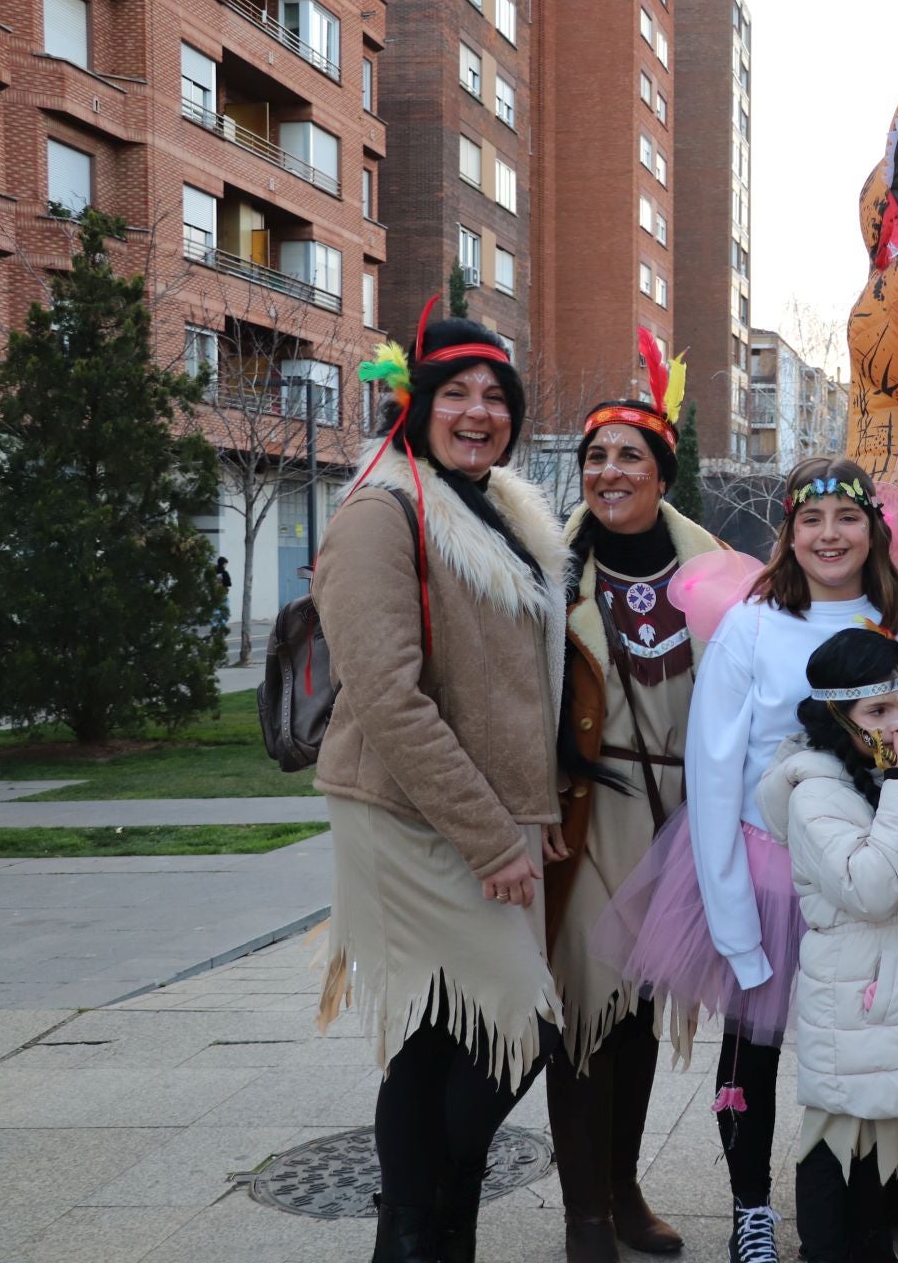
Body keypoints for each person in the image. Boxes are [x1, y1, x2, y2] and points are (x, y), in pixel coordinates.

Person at [593, 456, 898, 1263]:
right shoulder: (754, 625)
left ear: (875, 530)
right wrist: (729, 915)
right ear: (788, 535)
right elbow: (715, 766)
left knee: (866, 1033)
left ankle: (865, 1198)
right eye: (810, 520)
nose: (829, 536)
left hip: (874, 871)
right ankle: (751, 1205)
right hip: (764, 869)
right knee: (750, 1046)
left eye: (847, 518)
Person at [312, 308, 569, 1263]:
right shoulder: (383, 511)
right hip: (403, 816)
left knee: (442, 1042)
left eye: (496, 397)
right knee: (513, 1025)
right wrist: (491, 837)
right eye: (456, 394)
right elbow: (386, 696)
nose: (477, 412)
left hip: (479, 812)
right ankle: (421, 1224)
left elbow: (508, 687)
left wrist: (528, 812)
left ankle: (429, 1231)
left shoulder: (490, 507)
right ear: (415, 405)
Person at [543, 352, 713, 1262]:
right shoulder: (546, 571)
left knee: (642, 1010)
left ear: (662, 475)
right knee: (582, 1009)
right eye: (594, 458)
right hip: (584, 809)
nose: (609, 473)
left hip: (681, 814)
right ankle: (584, 1215)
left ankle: (623, 1184)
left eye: (629, 458)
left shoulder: (719, 575)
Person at [757, 626, 898, 1263]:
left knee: (877, 1142)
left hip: (892, 989)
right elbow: (872, 887)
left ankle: (868, 1247)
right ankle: (825, 1252)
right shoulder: (817, 793)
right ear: (836, 716)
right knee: (836, 1139)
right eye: (878, 712)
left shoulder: (880, 771)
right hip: (856, 994)